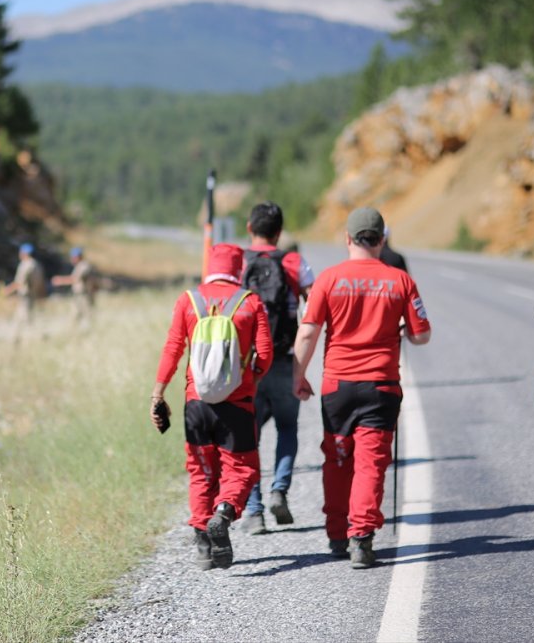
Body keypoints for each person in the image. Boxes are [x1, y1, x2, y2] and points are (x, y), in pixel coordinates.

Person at [292, 207, 431, 569]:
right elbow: (422, 335)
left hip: (337, 386)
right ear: (382, 240)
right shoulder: (400, 280)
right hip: (381, 385)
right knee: (371, 464)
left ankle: (337, 534)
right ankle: (362, 538)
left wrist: (298, 374)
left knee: (337, 461)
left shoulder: (329, 279)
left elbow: (308, 331)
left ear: (348, 239)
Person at [150, 243, 273, 570]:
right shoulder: (251, 303)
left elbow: (173, 349)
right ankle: (224, 512)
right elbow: (265, 353)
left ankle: (203, 544)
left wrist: (157, 394)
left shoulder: (188, 301)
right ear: (238, 269)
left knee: (201, 472)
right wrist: (252, 379)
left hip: (196, 404)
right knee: (242, 468)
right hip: (237, 405)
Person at [240, 202, 315, 535]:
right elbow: (315, 308)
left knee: (248, 438)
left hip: (249, 365)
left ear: (248, 227)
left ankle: (253, 512)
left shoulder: (239, 262)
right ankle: (278, 491)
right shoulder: (294, 261)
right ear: (280, 232)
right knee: (287, 429)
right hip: (284, 359)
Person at [4, 243, 46, 335]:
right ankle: (18, 339)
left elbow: (19, 282)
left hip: (25, 296)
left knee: (26, 318)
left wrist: (7, 290)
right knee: (23, 317)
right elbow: (40, 282)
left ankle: (39, 336)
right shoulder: (37, 265)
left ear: (24, 253)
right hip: (33, 294)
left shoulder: (25, 265)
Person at [51, 247, 98, 327]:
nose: (72, 259)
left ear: (78, 257)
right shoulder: (79, 266)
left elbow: (75, 279)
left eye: (73, 257)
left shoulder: (84, 266)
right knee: (75, 314)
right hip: (78, 295)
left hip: (84, 295)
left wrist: (60, 281)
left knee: (87, 315)